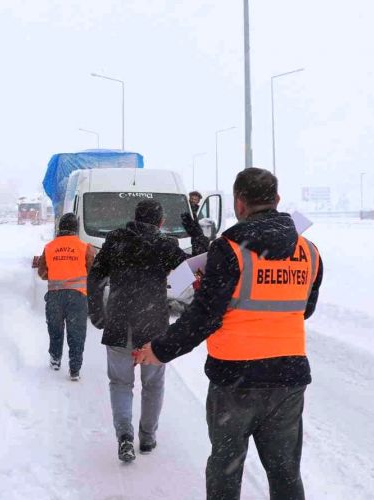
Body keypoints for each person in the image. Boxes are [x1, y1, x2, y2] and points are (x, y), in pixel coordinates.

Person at [136, 168, 323, 500]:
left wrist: (161, 349)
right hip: (288, 379)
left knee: (226, 470)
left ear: (239, 203)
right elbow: (303, 308)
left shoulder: (229, 248)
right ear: (276, 200)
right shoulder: (309, 251)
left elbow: (205, 317)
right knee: (285, 473)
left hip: (235, 379)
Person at [87, 199, 188, 462]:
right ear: (160, 222)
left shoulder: (115, 240)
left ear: (134, 217)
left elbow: (96, 275)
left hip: (119, 322)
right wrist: (166, 284)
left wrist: (97, 313)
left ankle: (124, 437)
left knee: (120, 383)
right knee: (153, 383)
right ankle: (148, 437)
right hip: (152, 324)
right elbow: (190, 272)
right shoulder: (166, 245)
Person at [37, 213, 95, 380]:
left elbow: (42, 272)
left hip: (55, 296)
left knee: (55, 329)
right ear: (75, 229)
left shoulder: (49, 247)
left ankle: (55, 360)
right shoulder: (85, 248)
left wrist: (56, 272)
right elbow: (91, 271)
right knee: (76, 332)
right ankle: (75, 369)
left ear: (60, 228)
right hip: (77, 297)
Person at [181, 190, 211, 255]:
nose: (193, 201)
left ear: (198, 201)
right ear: (189, 198)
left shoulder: (199, 210)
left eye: (195, 199)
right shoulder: (185, 208)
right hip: (190, 236)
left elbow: (201, 222)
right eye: (191, 198)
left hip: (197, 238)